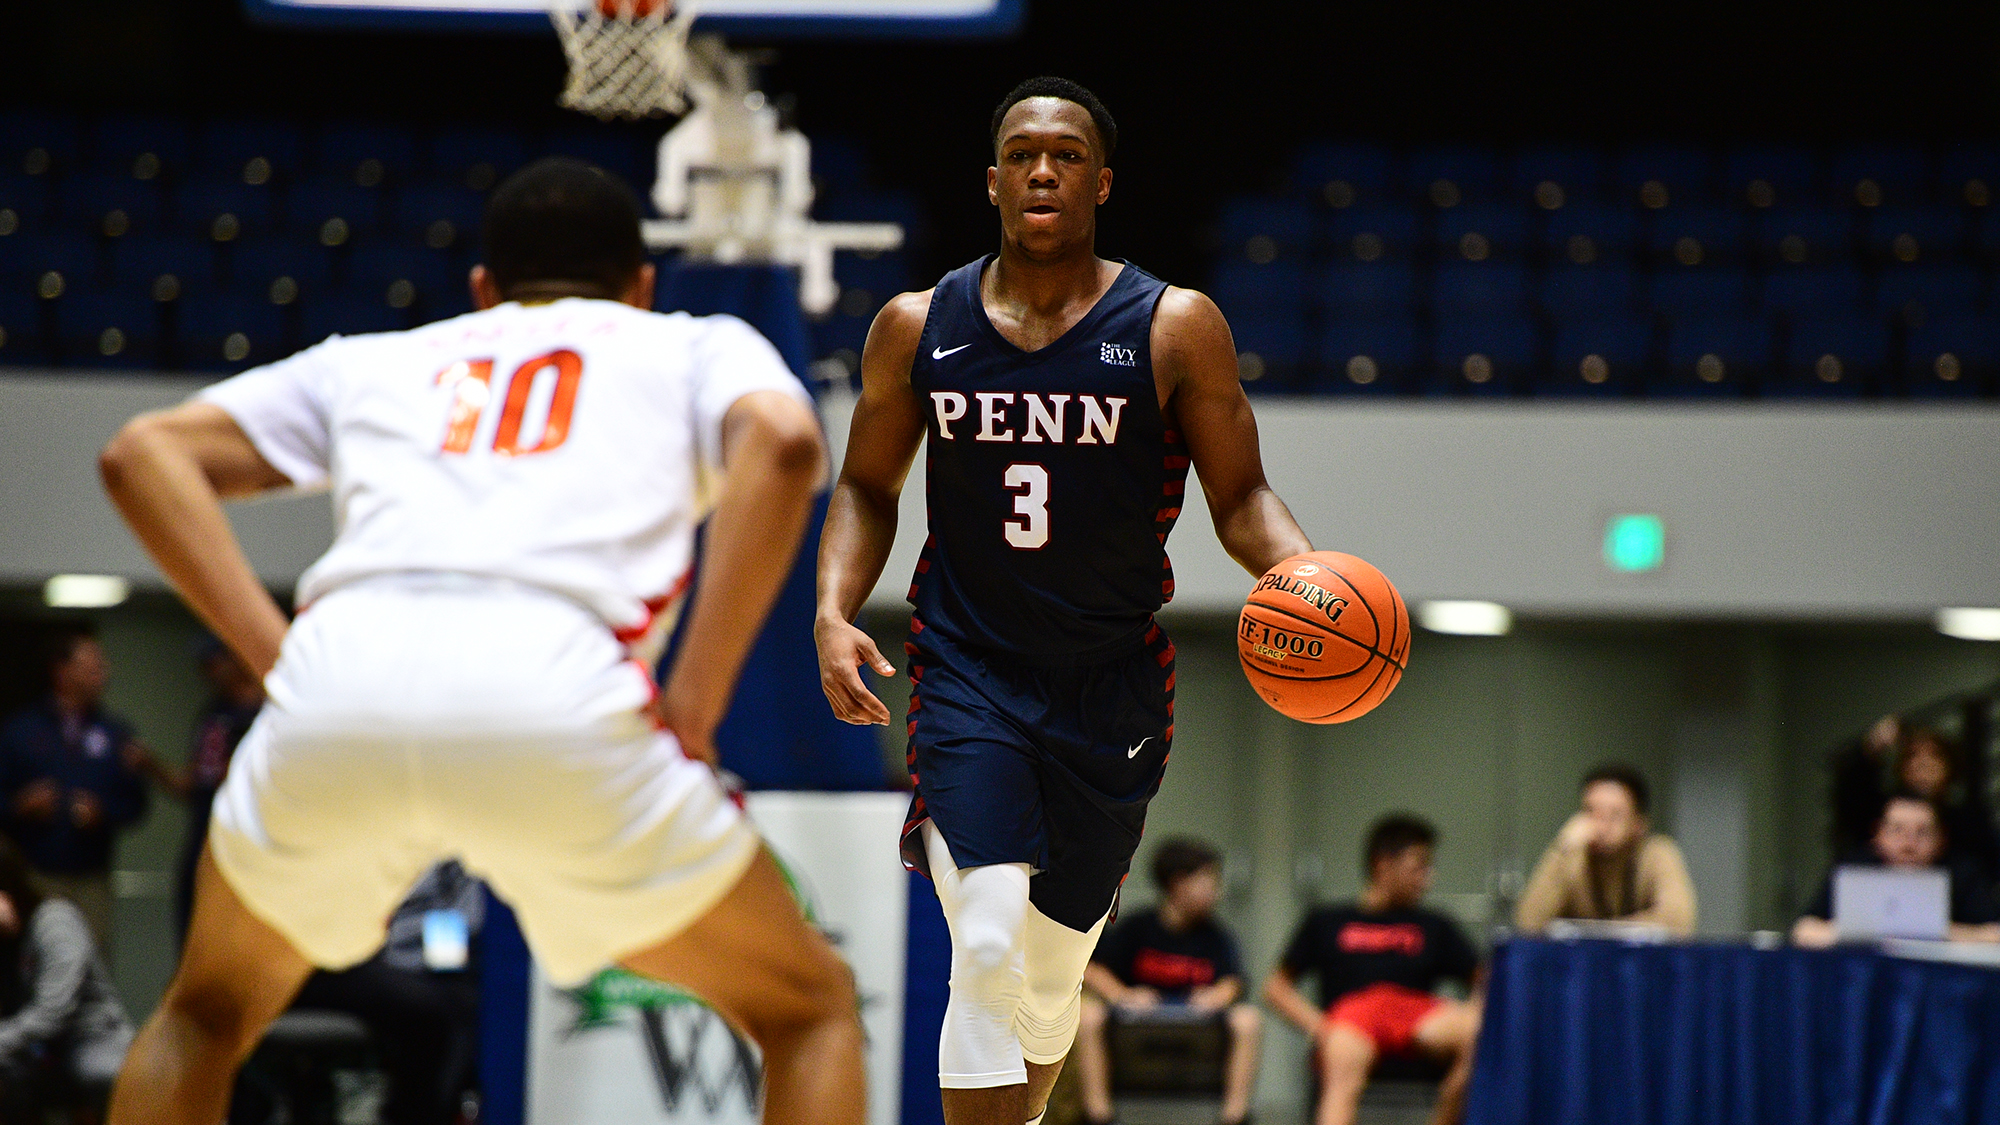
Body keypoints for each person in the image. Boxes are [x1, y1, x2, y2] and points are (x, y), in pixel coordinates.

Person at [95, 156, 865, 1125]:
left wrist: (275, 660)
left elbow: (141, 454)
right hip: (555, 685)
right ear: (640, 286)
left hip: (342, 684)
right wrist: (697, 702)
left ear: (481, 290)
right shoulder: (691, 344)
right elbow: (788, 445)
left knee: (204, 1012)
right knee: (809, 1009)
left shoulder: (377, 356)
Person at [815, 76, 1315, 1125]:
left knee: (1045, 991)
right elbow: (864, 485)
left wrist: (1304, 574)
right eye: (1023, 154)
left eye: (1067, 155)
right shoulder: (916, 325)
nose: (1043, 169)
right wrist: (832, 606)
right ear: (992, 179)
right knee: (984, 938)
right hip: (968, 673)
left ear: (1101, 180)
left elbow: (1241, 495)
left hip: (1110, 692)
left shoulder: (1175, 328)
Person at [1262, 816, 1481, 1125]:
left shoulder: (1435, 925)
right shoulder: (1327, 920)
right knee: (1341, 1059)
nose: (1427, 878)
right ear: (1383, 864)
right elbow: (1276, 987)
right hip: (1351, 1019)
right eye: (1418, 866)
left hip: (1416, 1016)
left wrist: (1476, 1007)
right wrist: (1321, 1028)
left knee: (1481, 1032)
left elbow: (1486, 980)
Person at [1075, 838, 1260, 1125]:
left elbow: (1233, 981)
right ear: (1178, 884)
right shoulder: (1136, 928)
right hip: (1138, 1018)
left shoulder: (1217, 936)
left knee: (1248, 1019)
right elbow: (1092, 970)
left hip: (1197, 1018)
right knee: (1087, 1014)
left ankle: (1234, 1117)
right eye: (1209, 882)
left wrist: (1217, 997)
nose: (1217, 892)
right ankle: (1098, 1116)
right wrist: (1122, 994)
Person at [286, 861, 483, 1125]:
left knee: (455, 1008)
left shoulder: (450, 852)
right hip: (305, 959)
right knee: (438, 1018)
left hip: (398, 968)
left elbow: (454, 928)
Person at [0, 629, 153, 952]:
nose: (103, 674)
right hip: (35, 875)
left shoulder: (115, 733)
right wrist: (20, 806)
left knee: (92, 963)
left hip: (92, 878)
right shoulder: (19, 731)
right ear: (62, 671)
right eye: (93, 666)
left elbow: (136, 804)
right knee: (42, 962)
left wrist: (105, 812)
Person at [0, 837, 133, 1124]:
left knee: (98, 1074)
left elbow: (53, 1012)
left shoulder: (55, 921)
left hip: (89, 1040)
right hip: (30, 1052)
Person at [1791, 791, 2000, 948]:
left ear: (1941, 839)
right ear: (1878, 835)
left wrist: (1934, 930)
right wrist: (1857, 931)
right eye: (1897, 830)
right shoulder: (1855, 869)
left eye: (1922, 832)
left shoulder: (1964, 872)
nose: (1909, 845)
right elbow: (1804, 929)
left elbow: (1994, 934)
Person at [1514, 763, 1697, 937]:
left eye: (1615, 815)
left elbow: (1679, 923)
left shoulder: (1657, 853)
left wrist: (1597, 933)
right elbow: (1528, 923)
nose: (1600, 825)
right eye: (1590, 811)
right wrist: (1561, 848)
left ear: (1638, 824)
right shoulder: (1571, 856)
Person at [173, 641, 263, 939]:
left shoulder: (270, 711)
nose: (207, 672)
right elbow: (193, 781)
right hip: (206, 834)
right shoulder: (212, 713)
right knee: (192, 928)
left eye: (213, 663)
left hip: (251, 840)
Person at [1891, 726, 1999, 884]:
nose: (1923, 764)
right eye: (1913, 756)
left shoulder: (1970, 821)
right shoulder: (1885, 811)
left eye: (1934, 755)